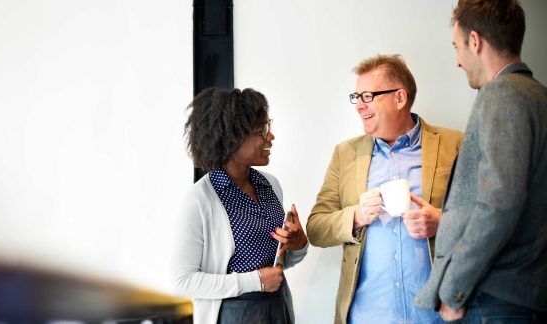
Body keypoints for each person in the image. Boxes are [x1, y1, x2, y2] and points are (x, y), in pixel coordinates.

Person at [414, 0, 547, 322]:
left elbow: (498, 204)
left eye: (457, 47)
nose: (458, 61)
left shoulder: (501, 95)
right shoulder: (539, 97)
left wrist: (454, 289)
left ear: (475, 41)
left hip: (494, 298)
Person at [306, 54, 463, 324]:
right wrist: (355, 216)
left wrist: (442, 222)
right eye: (356, 98)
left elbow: (488, 217)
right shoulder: (345, 154)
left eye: (367, 96)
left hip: (437, 316)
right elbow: (316, 228)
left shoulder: (456, 143)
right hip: (368, 316)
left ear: (400, 98)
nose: (359, 106)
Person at [171, 87, 309, 324]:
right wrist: (255, 281)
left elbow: (279, 264)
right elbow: (182, 281)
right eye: (261, 130)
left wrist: (298, 245)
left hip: (279, 307)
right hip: (235, 314)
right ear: (231, 137)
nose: (271, 137)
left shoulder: (270, 186)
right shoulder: (199, 200)